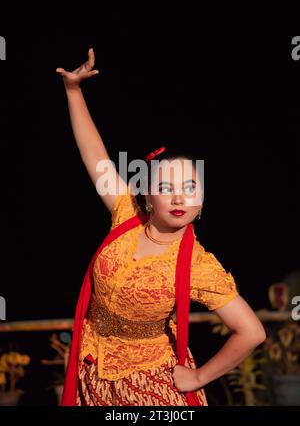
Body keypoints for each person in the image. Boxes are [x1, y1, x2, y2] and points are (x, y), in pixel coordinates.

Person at [56, 49, 266, 406]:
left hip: (150, 385)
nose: (178, 197)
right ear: (148, 195)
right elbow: (95, 156)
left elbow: (251, 332)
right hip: (90, 370)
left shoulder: (198, 265)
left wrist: (198, 377)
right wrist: (73, 91)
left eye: (189, 188)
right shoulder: (126, 214)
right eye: (167, 188)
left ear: (201, 199)